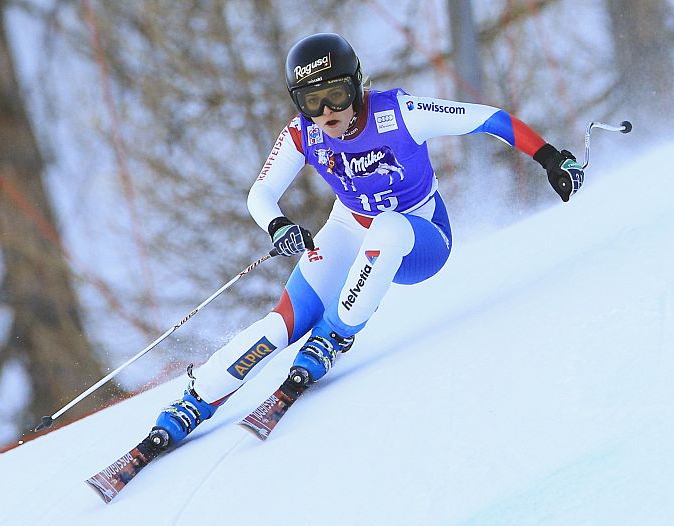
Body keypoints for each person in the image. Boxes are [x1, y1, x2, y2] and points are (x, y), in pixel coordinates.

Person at [147, 33, 584, 450]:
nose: (326, 112)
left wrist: (551, 158)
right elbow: (260, 194)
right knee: (281, 324)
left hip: (419, 237)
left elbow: (489, 119)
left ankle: (334, 336)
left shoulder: (402, 112)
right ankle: (197, 398)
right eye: (310, 101)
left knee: (388, 227)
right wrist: (278, 225)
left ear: (358, 85)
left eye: (335, 94)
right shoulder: (304, 133)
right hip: (348, 227)